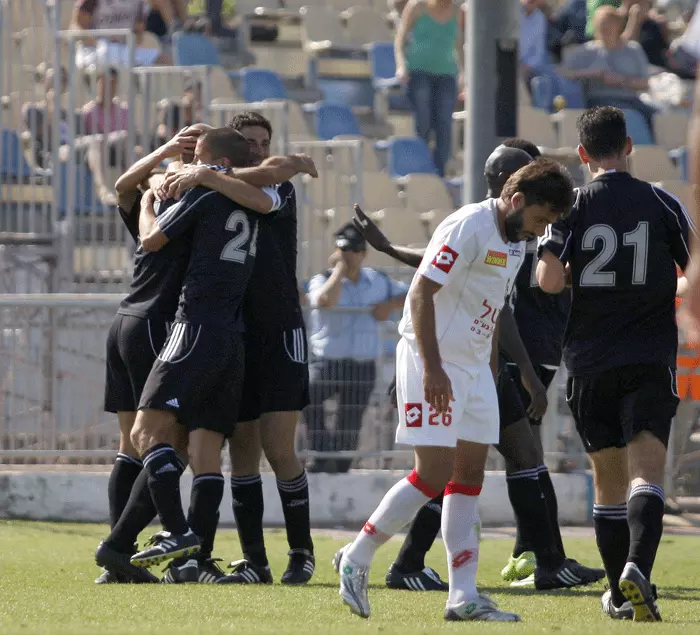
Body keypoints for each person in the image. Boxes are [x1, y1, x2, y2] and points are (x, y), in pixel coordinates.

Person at [334, 142, 603, 594]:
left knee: (469, 476)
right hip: (433, 358)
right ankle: (357, 557)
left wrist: (499, 370)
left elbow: (494, 310)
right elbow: (420, 293)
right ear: (517, 201)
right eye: (540, 220)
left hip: (476, 366)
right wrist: (434, 370)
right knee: (434, 472)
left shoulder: (517, 241)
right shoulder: (468, 225)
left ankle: (464, 596)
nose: (541, 232)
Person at [537, 106, 692, 622]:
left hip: (588, 360)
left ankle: (616, 592)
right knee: (648, 473)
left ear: (582, 155)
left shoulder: (571, 207)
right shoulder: (660, 201)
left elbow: (548, 281)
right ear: (629, 147)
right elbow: (694, 273)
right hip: (649, 356)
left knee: (607, 479)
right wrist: (664, 289)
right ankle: (638, 571)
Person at [154, 112, 319, 585]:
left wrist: (203, 172)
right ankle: (256, 562)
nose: (257, 150)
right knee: (243, 450)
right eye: (249, 142)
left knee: (279, 448)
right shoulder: (213, 188)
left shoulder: (272, 188)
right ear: (232, 147)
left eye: (264, 143)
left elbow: (274, 174)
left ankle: (301, 552)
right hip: (237, 332)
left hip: (280, 329)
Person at [103, 129, 276, 571]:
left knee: (145, 436)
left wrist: (149, 201)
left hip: (192, 326)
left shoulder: (205, 191)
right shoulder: (253, 197)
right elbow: (271, 196)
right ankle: (169, 555)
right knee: (201, 451)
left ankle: (177, 533)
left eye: (194, 155)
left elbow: (152, 239)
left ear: (212, 160)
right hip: (230, 335)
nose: (184, 164)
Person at [95, 125, 203, 585]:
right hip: (160, 323)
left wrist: (161, 155)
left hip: (125, 319)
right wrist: (174, 162)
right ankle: (147, 544)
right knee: (169, 440)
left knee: (130, 445)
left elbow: (122, 186)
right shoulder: (191, 201)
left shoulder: (152, 199)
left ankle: (122, 557)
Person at [305, 225, 408, 474]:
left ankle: (340, 465)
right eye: (342, 249)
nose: (347, 254)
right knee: (308, 398)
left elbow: (413, 294)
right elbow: (324, 300)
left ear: (362, 253)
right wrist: (339, 271)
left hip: (362, 363)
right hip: (327, 361)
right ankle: (322, 453)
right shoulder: (322, 279)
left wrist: (389, 304)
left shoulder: (377, 280)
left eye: (352, 249)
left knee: (350, 419)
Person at [394, 0, 464, 177]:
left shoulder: (458, 12)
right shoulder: (417, 7)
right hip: (419, 73)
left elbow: (460, 46)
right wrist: (401, 66)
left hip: (447, 75)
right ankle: (422, 171)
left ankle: (439, 174)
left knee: (444, 126)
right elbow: (400, 39)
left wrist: (464, 74)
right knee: (423, 123)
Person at [561, 6, 654, 134]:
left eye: (608, 24)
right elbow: (563, 73)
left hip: (632, 100)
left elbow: (645, 83)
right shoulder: (585, 52)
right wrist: (591, 73)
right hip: (600, 100)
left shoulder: (633, 50)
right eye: (600, 24)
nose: (604, 28)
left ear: (618, 26)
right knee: (629, 118)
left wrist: (621, 80)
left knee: (657, 116)